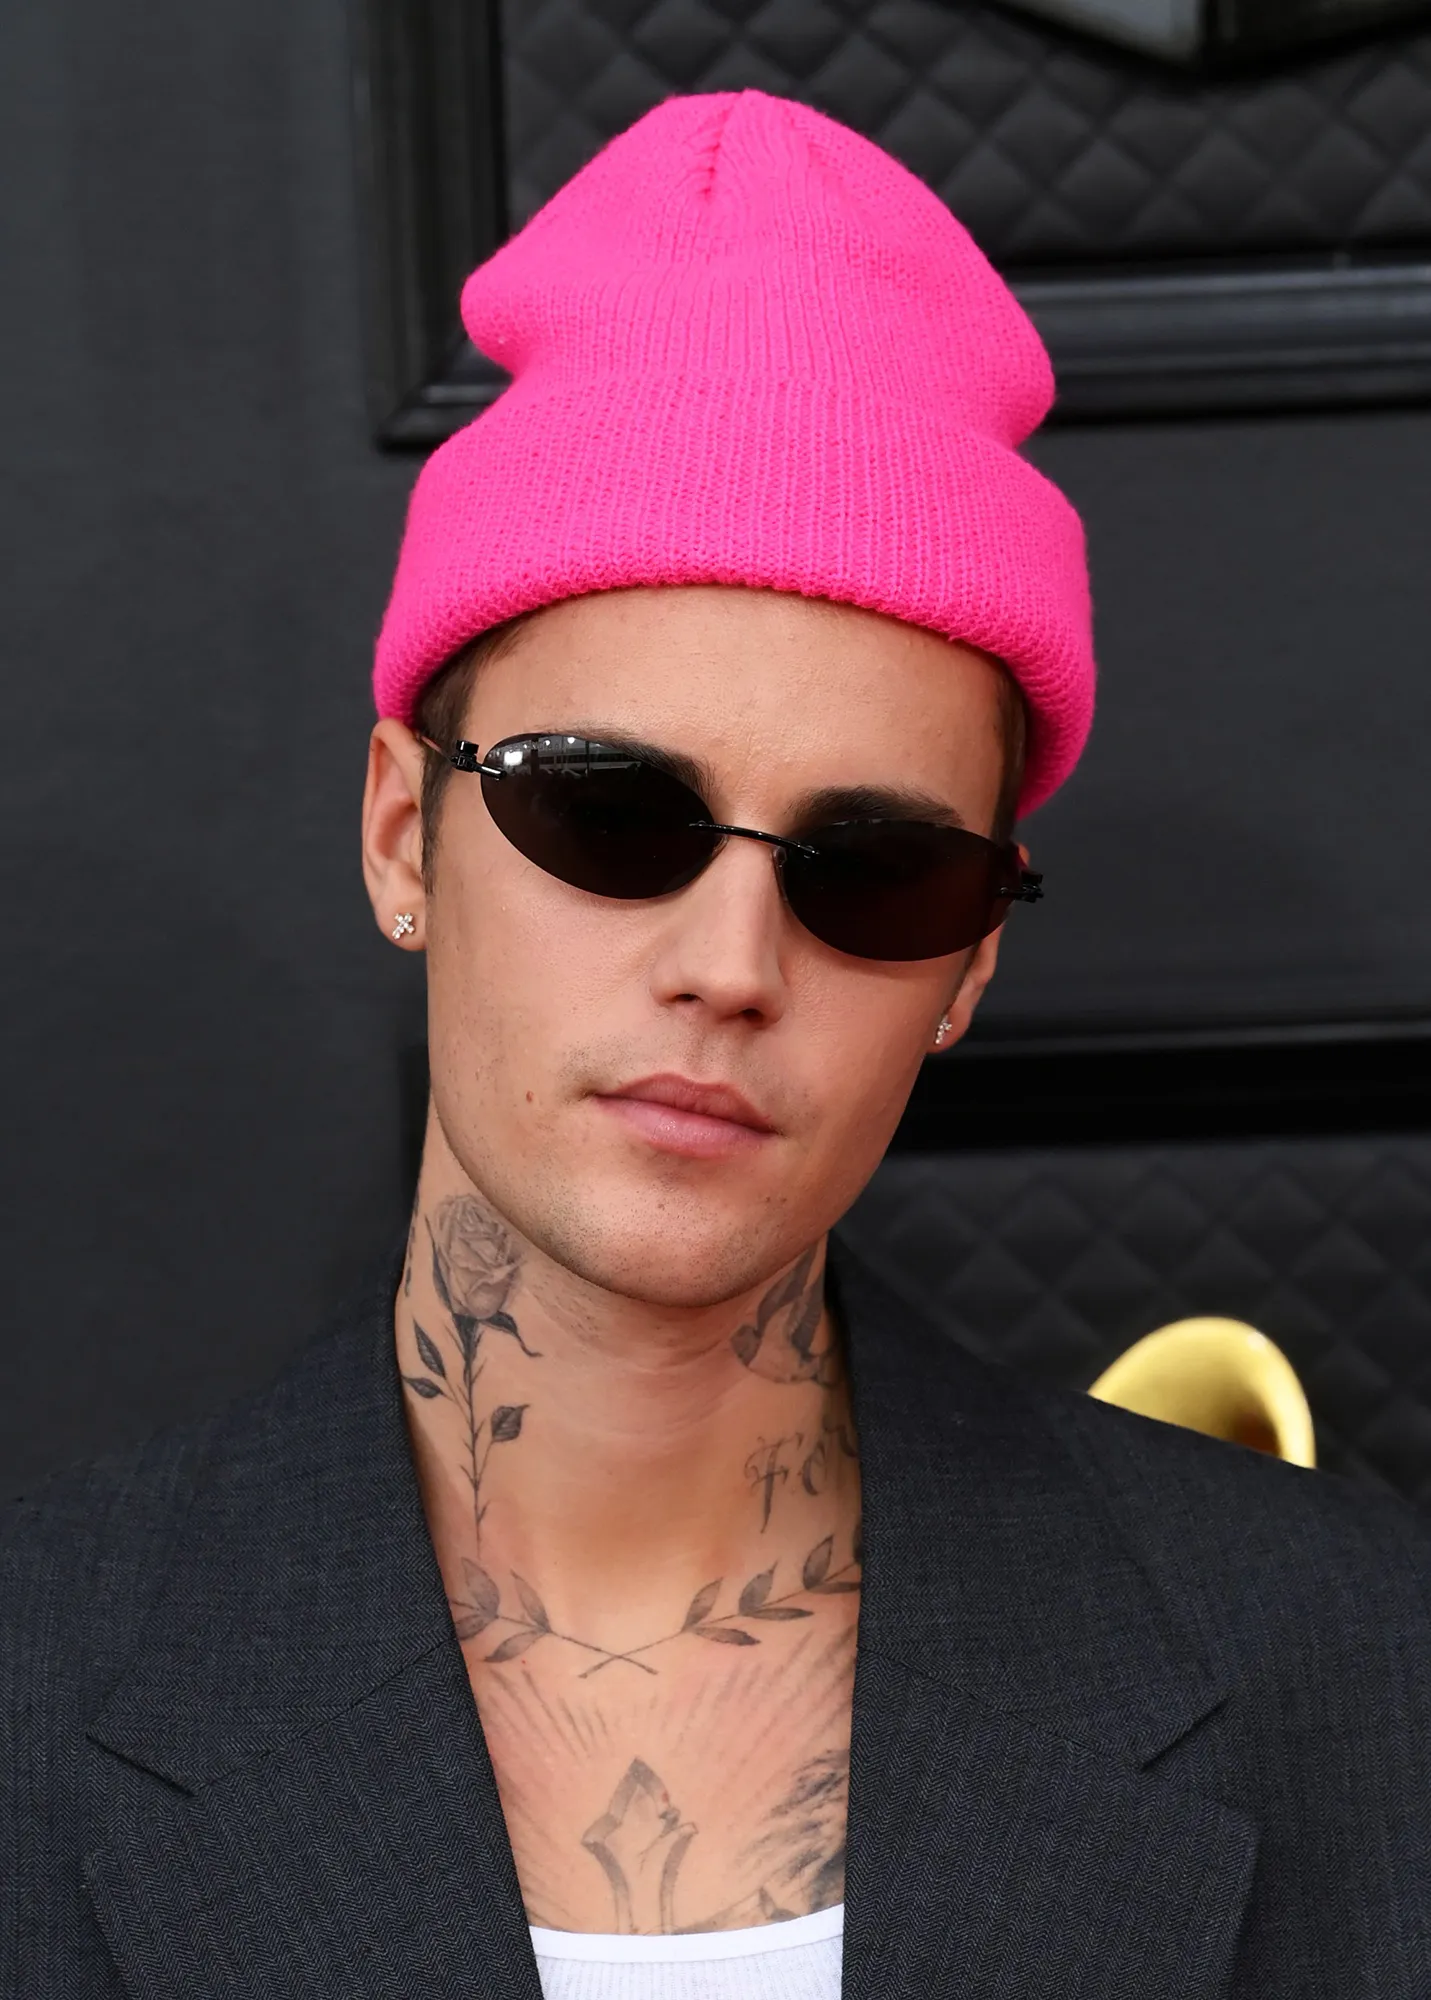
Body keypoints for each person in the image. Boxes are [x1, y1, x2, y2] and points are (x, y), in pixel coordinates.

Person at [4, 87, 1430, 2000]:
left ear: (970, 962)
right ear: (404, 835)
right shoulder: (39, 1682)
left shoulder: (1359, 1669)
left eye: (877, 870)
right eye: (608, 813)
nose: (730, 963)